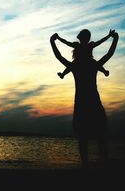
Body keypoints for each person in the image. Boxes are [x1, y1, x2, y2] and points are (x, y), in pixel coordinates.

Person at [50, 30, 119, 169]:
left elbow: (59, 56)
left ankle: (86, 166)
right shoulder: (92, 65)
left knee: (83, 138)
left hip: (81, 104)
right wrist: (114, 39)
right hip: (94, 102)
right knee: (100, 136)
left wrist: (53, 42)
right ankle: (102, 164)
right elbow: (109, 54)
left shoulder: (75, 65)